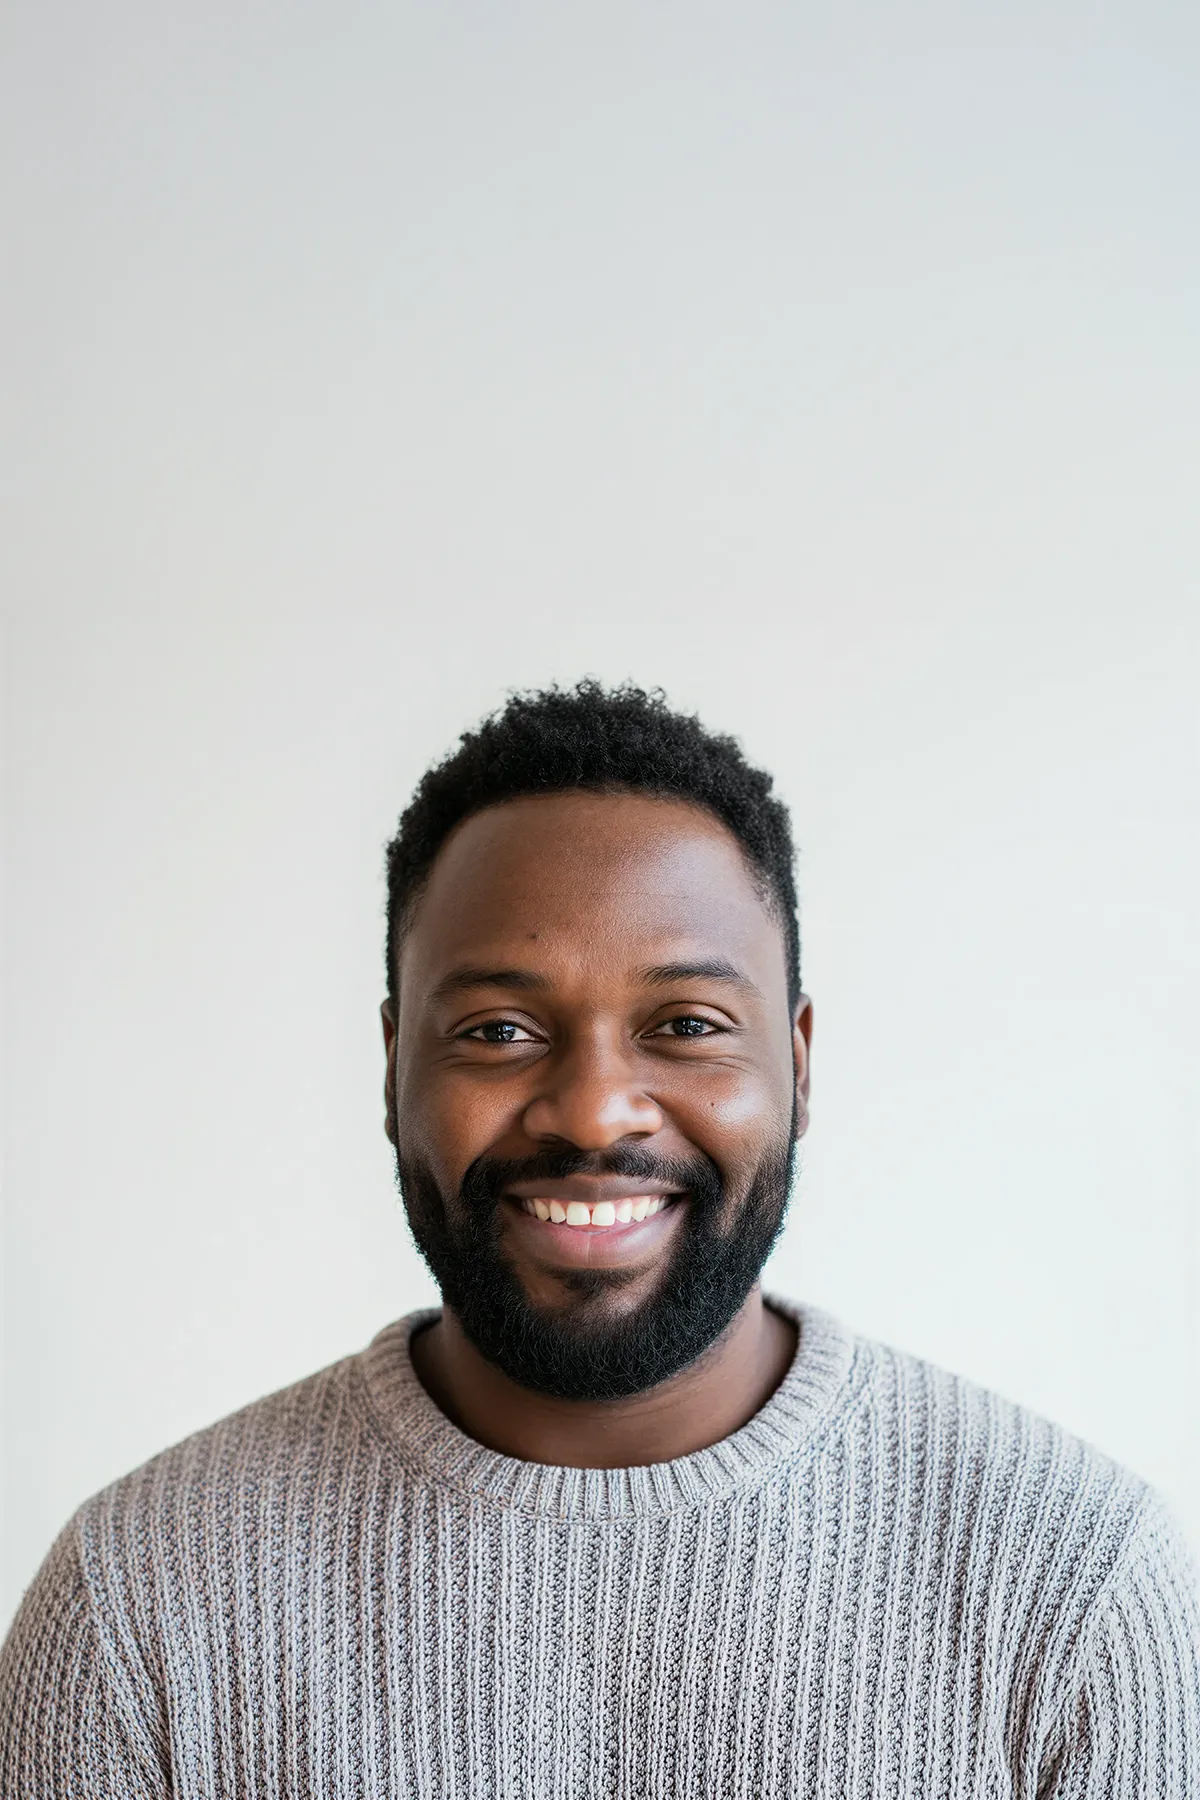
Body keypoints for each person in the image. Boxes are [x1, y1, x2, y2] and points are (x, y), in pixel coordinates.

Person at [2, 681, 1197, 1797]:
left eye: (684, 1023)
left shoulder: (1075, 1590)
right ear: (390, 1068)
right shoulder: (141, 1611)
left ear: (799, 1062)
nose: (591, 1108)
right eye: (500, 1029)